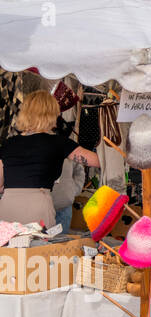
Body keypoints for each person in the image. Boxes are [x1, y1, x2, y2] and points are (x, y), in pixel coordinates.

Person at [0, 90, 100, 227]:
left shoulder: (8, 144)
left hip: (8, 206)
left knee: (9, 248)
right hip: (37, 206)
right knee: (39, 248)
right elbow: (97, 161)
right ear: (51, 114)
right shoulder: (59, 142)